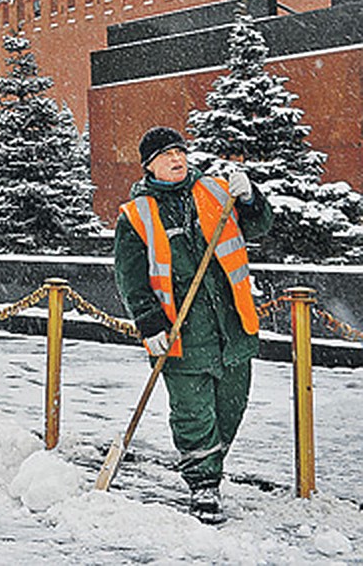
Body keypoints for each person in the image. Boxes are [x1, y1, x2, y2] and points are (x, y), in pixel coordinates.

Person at [113, 126, 272, 524]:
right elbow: (130, 278)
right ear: (149, 165)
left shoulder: (217, 192)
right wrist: (150, 326)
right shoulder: (137, 215)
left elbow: (258, 227)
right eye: (166, 155)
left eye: (180, 151)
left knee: (230, 408)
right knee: (193, 412)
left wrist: (250, 199)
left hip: (233, 329)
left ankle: (211, 463)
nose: (177, 159)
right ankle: (204, 485)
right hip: (181, 333)